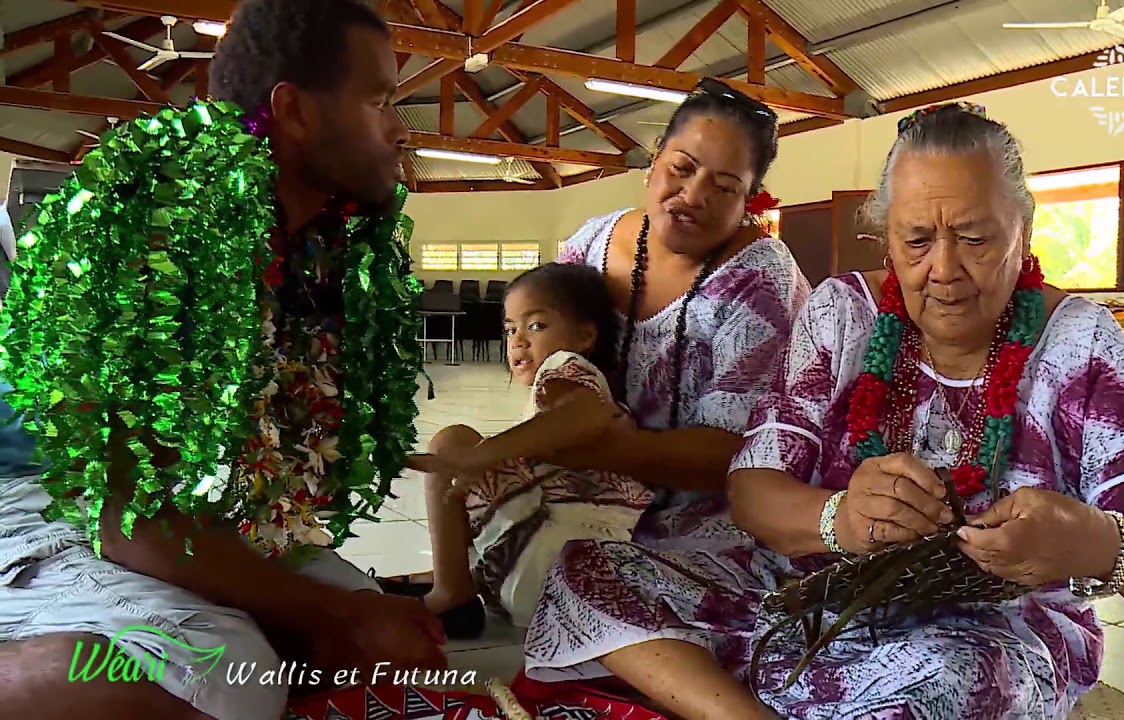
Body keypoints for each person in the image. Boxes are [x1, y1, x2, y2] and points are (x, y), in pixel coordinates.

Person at [0, 2, 448, 720]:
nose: (400, 128)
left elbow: (246, 482)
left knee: (375, 644)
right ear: (294, 110)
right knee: (230, 672)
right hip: (35, 501)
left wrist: (345, 616)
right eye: (379, 100)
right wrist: (336, 613)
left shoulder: (312, 246)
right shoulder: (155, 234)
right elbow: (124, 519)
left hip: (188, 514)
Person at [723, 103, 1124, 718]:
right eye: (917, 240)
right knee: (598, 573)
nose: (945, 270)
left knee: (948, 682)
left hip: (993, 637)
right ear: (885, 235)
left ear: (1024, 233)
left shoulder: (1078, 343)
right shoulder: (842, 315)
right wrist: (839, 518)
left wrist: (1092, 542)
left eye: (976, 239)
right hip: (819, 606)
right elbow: (752, 490)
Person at [521, 79, 811, 713]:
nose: (693, 196)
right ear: (654, 160)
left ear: (750, 199)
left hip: (716, 524)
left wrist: (601, 445)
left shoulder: (760, 284)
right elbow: (544, 354)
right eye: (681, 169)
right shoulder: (590, 248)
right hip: (594, 501)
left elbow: (727, 459)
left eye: (725, 188)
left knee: (583, 582)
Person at [406, 263, 655, 634]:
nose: (518, 340)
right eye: (510, 329)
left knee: (453, 441)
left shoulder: (565, 368)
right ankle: (461, 579)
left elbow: (590, 413)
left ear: (585, 335)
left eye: (536, 325)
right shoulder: (565, 388)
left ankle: (450, 591)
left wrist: (483, 454)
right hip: (573, 580)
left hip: (556, 558)